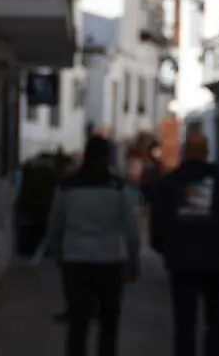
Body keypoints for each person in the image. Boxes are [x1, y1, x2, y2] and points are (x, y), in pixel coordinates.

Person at [149, 132, 219, 356]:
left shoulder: (170, 182)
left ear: (184, 152)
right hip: (215, 263)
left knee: (184, 324)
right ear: (206, 153)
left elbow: (158, 222)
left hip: (181, 263)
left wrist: (166, 250)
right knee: (216, 322)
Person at [45, 136, 142, 356]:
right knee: (109, 325)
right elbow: (130, 230)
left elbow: (55, 225)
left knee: (77, 324)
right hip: (110, 261)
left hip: (76, 260)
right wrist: (133, 262)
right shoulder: (118, 187)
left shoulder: (67, 187)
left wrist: (59, 256)